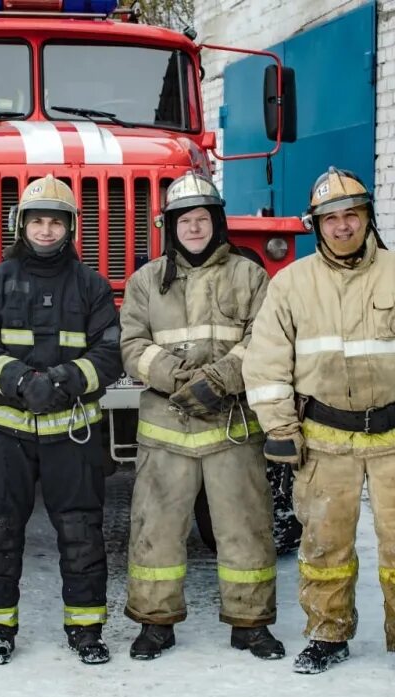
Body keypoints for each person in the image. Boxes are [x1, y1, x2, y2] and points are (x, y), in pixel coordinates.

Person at [242, 166, 395, 687]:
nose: (343, 227)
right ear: (316, 225)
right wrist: (280, 427)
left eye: (352, 215)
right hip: (324, 438)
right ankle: (327, 635)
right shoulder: (291, 284)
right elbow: (266, 362)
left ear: (368, 219)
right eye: (331, 219)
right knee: (323, 544)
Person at [119, 172, 284, 661]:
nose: (193, 228)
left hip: (231, 427)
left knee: (245, 527)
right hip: (166, 428)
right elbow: (131, 345)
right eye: (184, 220)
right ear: (170, 226)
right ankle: (155, 623)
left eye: (201, 219)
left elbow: (266, 339)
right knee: (156, 529)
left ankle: (251, 623)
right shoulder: (147, 280)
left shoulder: (249, 275)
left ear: (217, 223)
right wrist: (176, 378)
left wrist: (222, 380)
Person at [0, 174, 121, 665]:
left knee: (81, 533)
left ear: (70, 227)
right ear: (22, 225)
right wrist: (16, 381)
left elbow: (111, 352)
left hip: (72, 432)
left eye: (56, 221)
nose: (47, 230)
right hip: (7, 433)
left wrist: (62, 382)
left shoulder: (91, 285)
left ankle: (86, 630)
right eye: (38, 220)